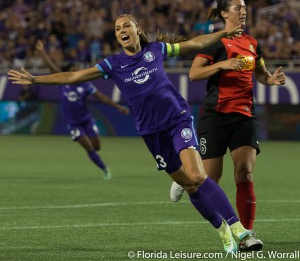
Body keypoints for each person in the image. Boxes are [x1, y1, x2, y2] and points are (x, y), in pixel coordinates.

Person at [9, 14, 257, 253]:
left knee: (197, 176)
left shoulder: (157, 50)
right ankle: (221, 228)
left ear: (137, 29)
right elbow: (74, 75)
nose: (121, 31)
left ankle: (238, 228)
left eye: (125, 26)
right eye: (117, 29)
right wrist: (36, 80)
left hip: (177, 120)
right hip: (152, 133)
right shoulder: (113, 64)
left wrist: (224, 33)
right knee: (190, 186)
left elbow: (193, 43)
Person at [170, 0, 286, 250]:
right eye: (237, 8)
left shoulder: (254, 43)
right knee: (207, 180)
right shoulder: (215, 43)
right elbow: (194, 74)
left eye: (244, 7)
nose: (243, 11)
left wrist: (272, 79)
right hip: (215, 116)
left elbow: (261, 74)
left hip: (244, 116)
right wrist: (223, 66)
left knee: (244, 172)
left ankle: (246, 235)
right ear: (224, 13)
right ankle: (183, 176)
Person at [35, 39, 129, 180]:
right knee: (88, 147)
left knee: (97, 146)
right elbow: (52, 68)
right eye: (74, 69)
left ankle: (100, 163)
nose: (76, 72)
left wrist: (118, 107)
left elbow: (101, 97)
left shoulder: (85, 85)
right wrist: (42, 51)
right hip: (73, 123)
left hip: (86, 120)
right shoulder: (63, 83)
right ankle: (105, 170)